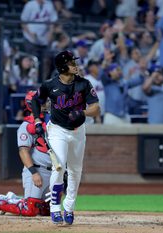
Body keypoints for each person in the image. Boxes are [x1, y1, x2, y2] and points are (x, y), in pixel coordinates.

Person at [30, 50, 100, 225]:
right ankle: (55, 207)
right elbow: (35, 100)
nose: (75, 65)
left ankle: (69, 208)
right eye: (71, 62)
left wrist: (82, 112)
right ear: (62, 66)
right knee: (59, 167)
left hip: (78, 131)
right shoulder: (50, 85)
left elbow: (96, 109)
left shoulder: (84, 84)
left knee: (76, 170)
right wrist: (38, 120)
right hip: (57, 130)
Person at [0, 91, 51, 217]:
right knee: (30, 210)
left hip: (52, 172)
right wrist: (34, 172)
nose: (47, 104)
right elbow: (23, 151)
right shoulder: (26, 126)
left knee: (46, 211)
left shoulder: (51, 124)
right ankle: (1, 202)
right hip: (37, 170)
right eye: (43, 102)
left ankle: (13, 198)